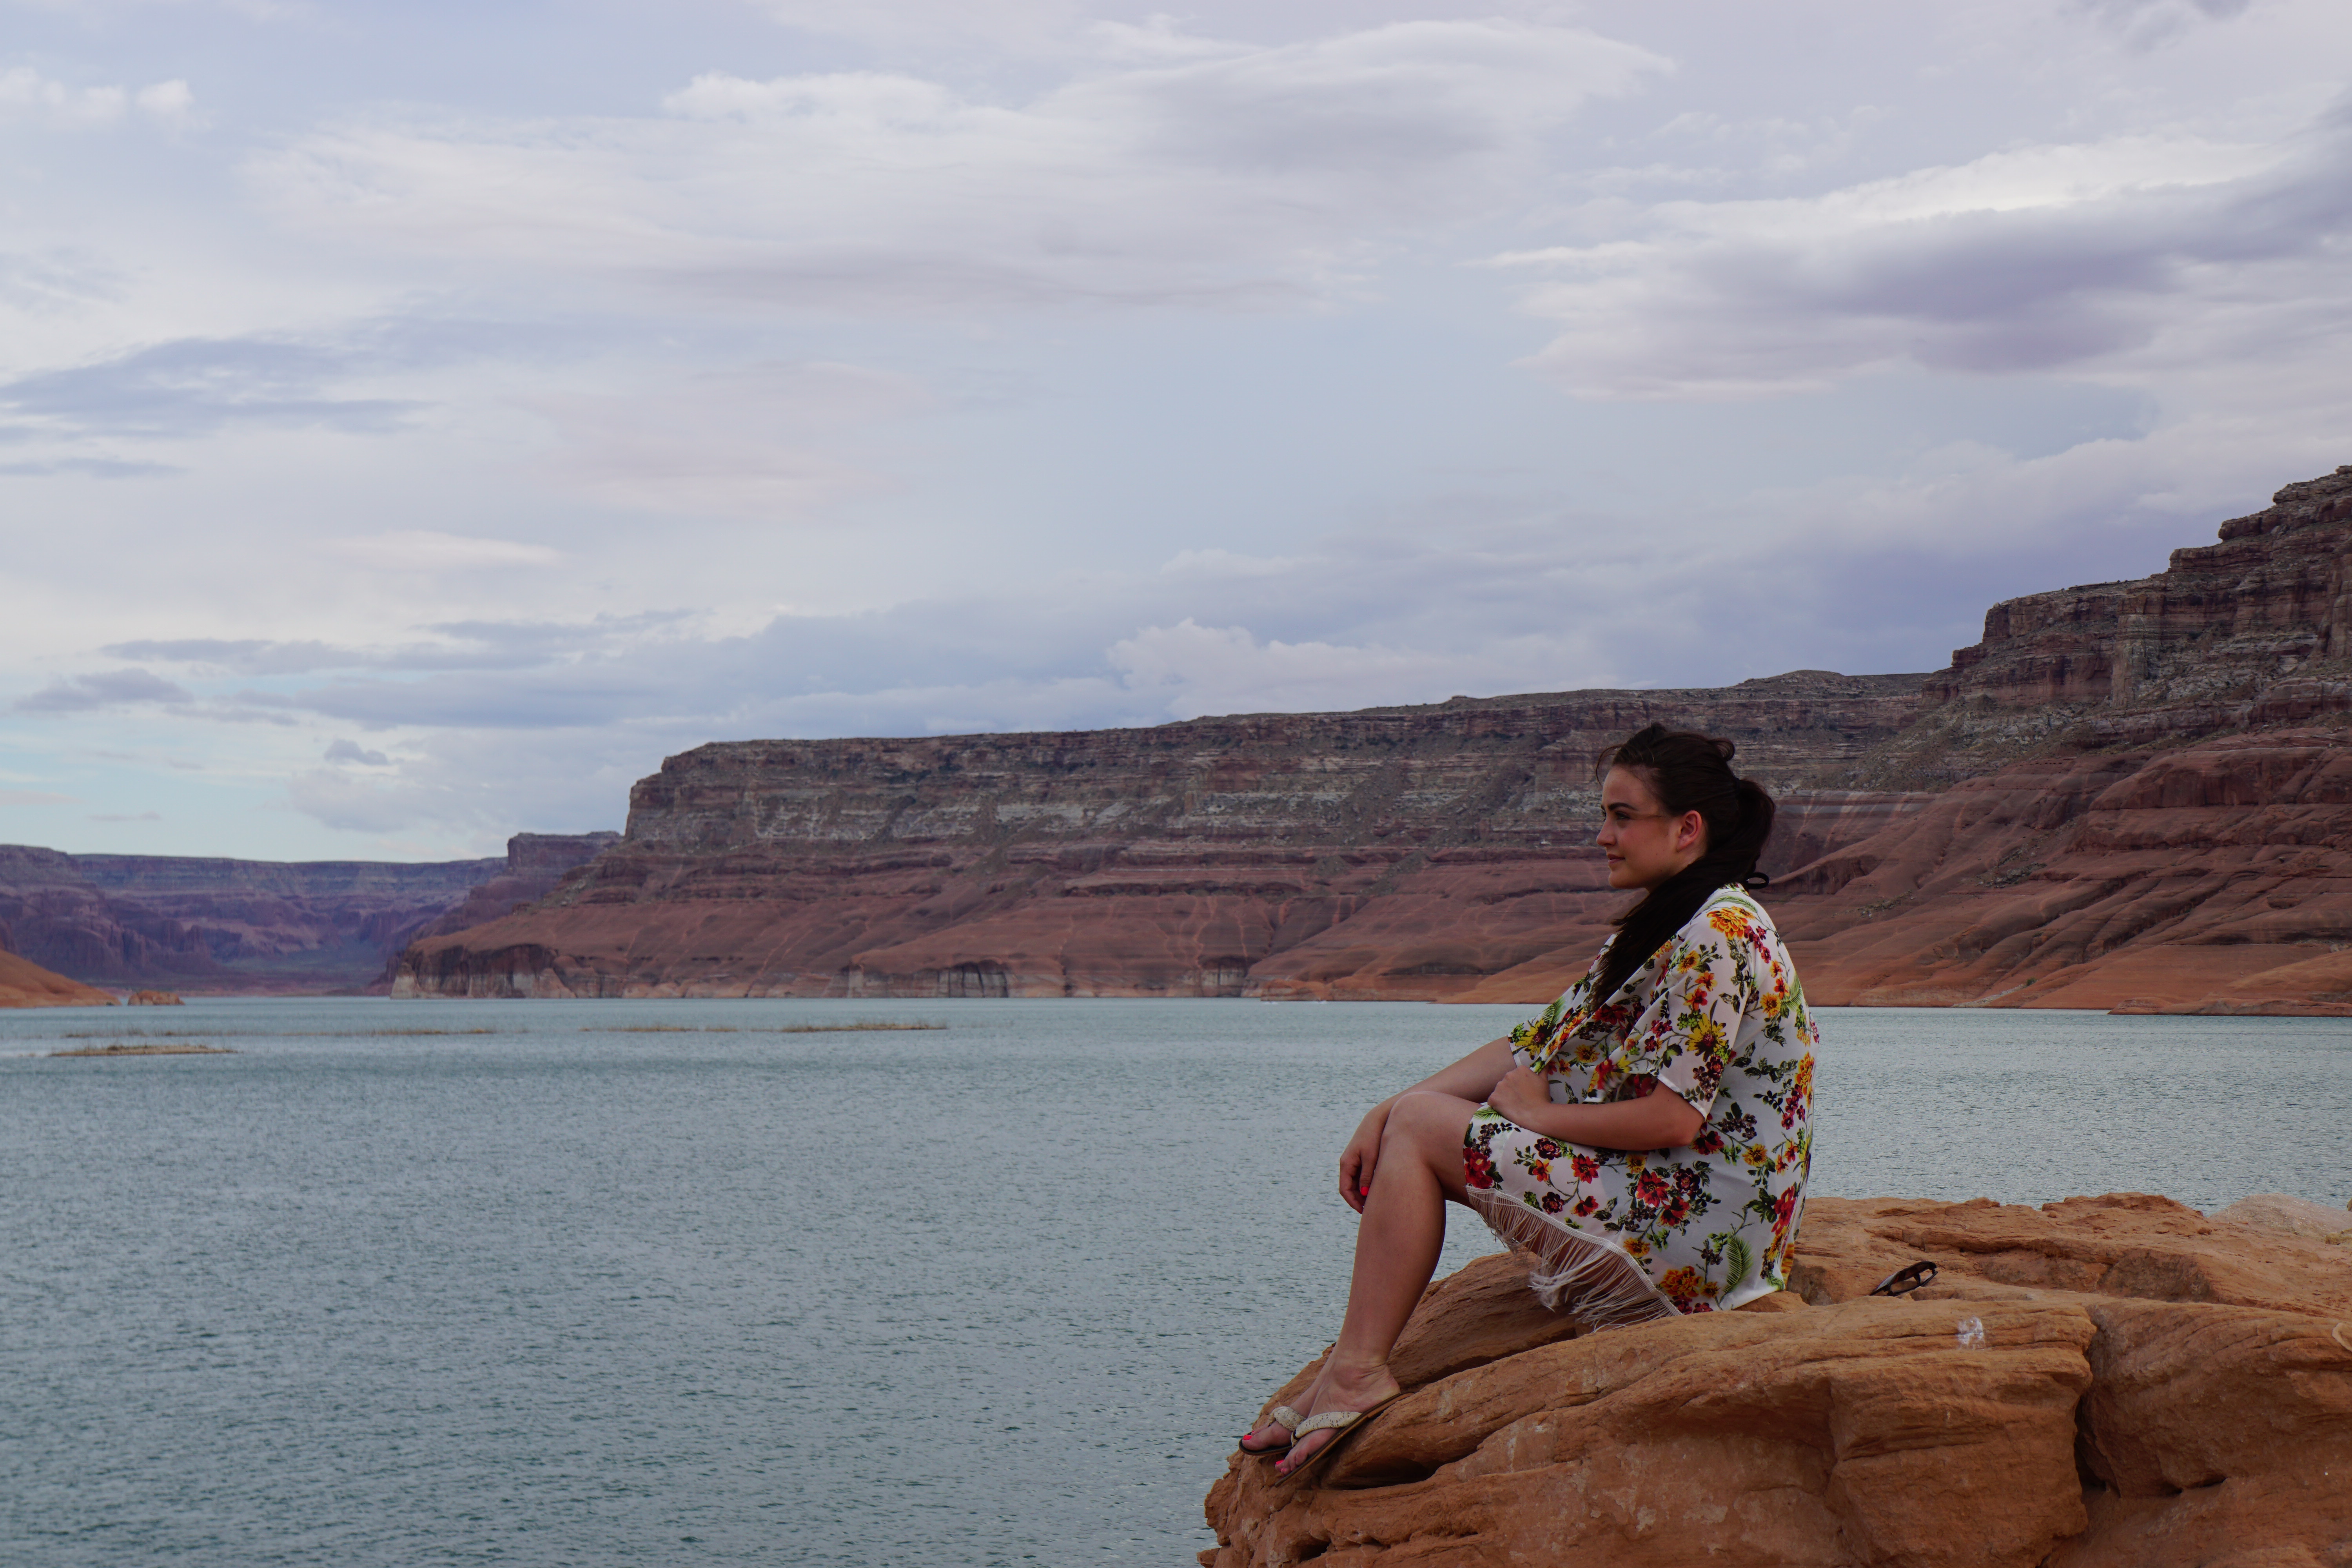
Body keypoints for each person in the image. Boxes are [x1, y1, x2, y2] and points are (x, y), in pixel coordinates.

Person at [1237, 722, 1818, 1479]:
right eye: (1604, 816)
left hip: (1698, 1251)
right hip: (1684, 1213)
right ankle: (1350, 1367)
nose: (1603, 836)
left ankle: (1356, 1374)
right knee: (1414, 1119)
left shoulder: (1719, 934)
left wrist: (1536, 1117)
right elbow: (1533, 1045)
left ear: (1687, 829)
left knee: (1421, 1129)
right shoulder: (1673, 921)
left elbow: (1674, 1117)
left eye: (1622, 817)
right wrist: (1390, 1105)